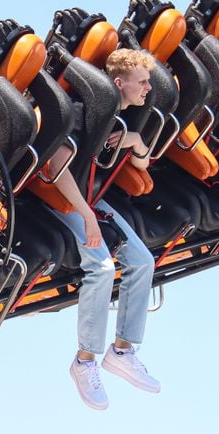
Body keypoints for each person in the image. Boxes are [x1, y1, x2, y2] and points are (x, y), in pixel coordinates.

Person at [44, 49, 160, 410]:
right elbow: (55, 169)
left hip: (91, 198)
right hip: (61, 198)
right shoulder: (82, 112)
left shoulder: (117, 120)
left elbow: (142, 162)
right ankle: (84, 361)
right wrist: (87, 216)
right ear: (118, 83)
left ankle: (122, 352)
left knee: (143, 262)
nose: (148, 89)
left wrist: (136, 141)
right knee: (103, 268)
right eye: (142, 82)